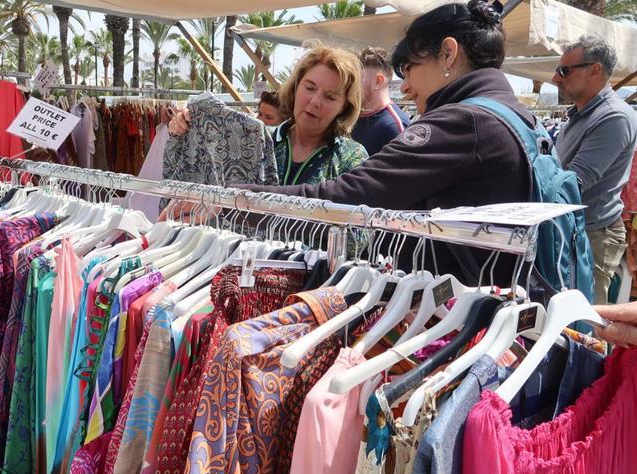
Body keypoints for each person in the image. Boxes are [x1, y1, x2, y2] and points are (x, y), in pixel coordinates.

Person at [170, 0, 533, 283]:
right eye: (309, 88)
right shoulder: (512, 117)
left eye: (409, 70)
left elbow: (346, 197)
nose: (405, 87)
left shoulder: (464, 124)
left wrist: (227, 199)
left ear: (449, 54)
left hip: (459, 310)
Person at [170, 45, 368, 186]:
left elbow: (355, 239)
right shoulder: (257, 139)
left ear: (344, 107)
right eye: (309, 87)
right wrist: (186, 126)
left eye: (330, 97)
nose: (315, 101)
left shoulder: (350, 158)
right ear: (296, 87)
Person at [551, 35, 637, 304]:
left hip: (592, 236)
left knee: (588, 320)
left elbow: (575, 182)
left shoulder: (614, 117)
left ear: (595, 70)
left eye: (564, 70)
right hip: (576, 230)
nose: (556, 78)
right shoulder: (582, 114)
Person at [352, 47, 411, 155]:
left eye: (356, 80)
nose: (351, 86)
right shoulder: (352, 115)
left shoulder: (394, 127)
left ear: (378, 82)